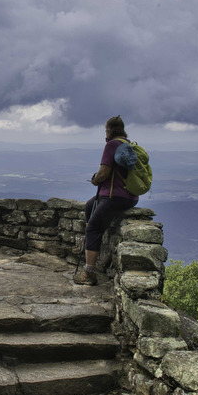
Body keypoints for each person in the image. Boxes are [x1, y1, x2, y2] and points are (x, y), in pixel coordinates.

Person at [74, 115, 139, 285]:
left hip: (112, 197)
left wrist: (95, 179)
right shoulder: (128, 144)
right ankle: (90, 246)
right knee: (89, 206)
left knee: (93, 229)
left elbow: (104, 173)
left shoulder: (112, 145)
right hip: (130, 197)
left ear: (108, 130)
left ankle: (88, 274)